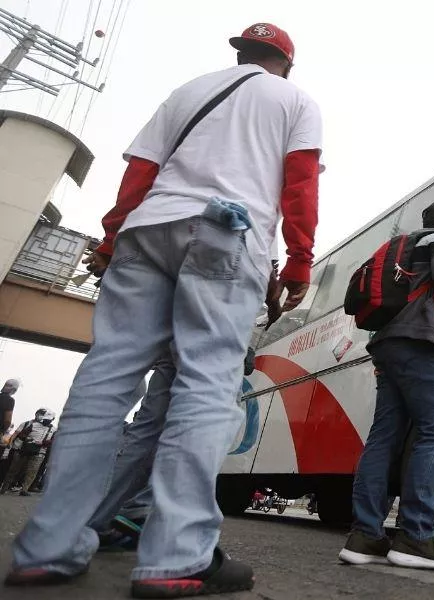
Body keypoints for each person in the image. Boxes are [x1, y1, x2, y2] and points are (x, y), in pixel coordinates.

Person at [4, 22, 322, 598]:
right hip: (227, 232)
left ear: (241, 52)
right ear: (286, 63)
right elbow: (299, 184)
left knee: (105, 378)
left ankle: (48, 546)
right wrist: (299, 259)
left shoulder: (188, 91)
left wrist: (110, 238)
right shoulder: (294, 100)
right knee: (205, 383)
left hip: (148, 231)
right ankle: (177, 556)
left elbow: (140, 174)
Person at [340, 202, 434, 569]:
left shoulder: (407, 243)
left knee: (384, 436)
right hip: (420, 343)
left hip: (387, 344)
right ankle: (417, 535)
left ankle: (365, 535)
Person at [0, 409, 55, 496]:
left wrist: (43, 443)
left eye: (48, 420)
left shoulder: (53, 430)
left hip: (40, 453)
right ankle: (4, 488)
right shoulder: (32, 425)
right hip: (24, 450)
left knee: (32, 472)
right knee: (14, 470)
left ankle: (24, 490)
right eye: (45, 419)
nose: (46, 421)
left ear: (52, 419)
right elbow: (22, 435)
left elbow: (53, 441)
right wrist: (29, 440)